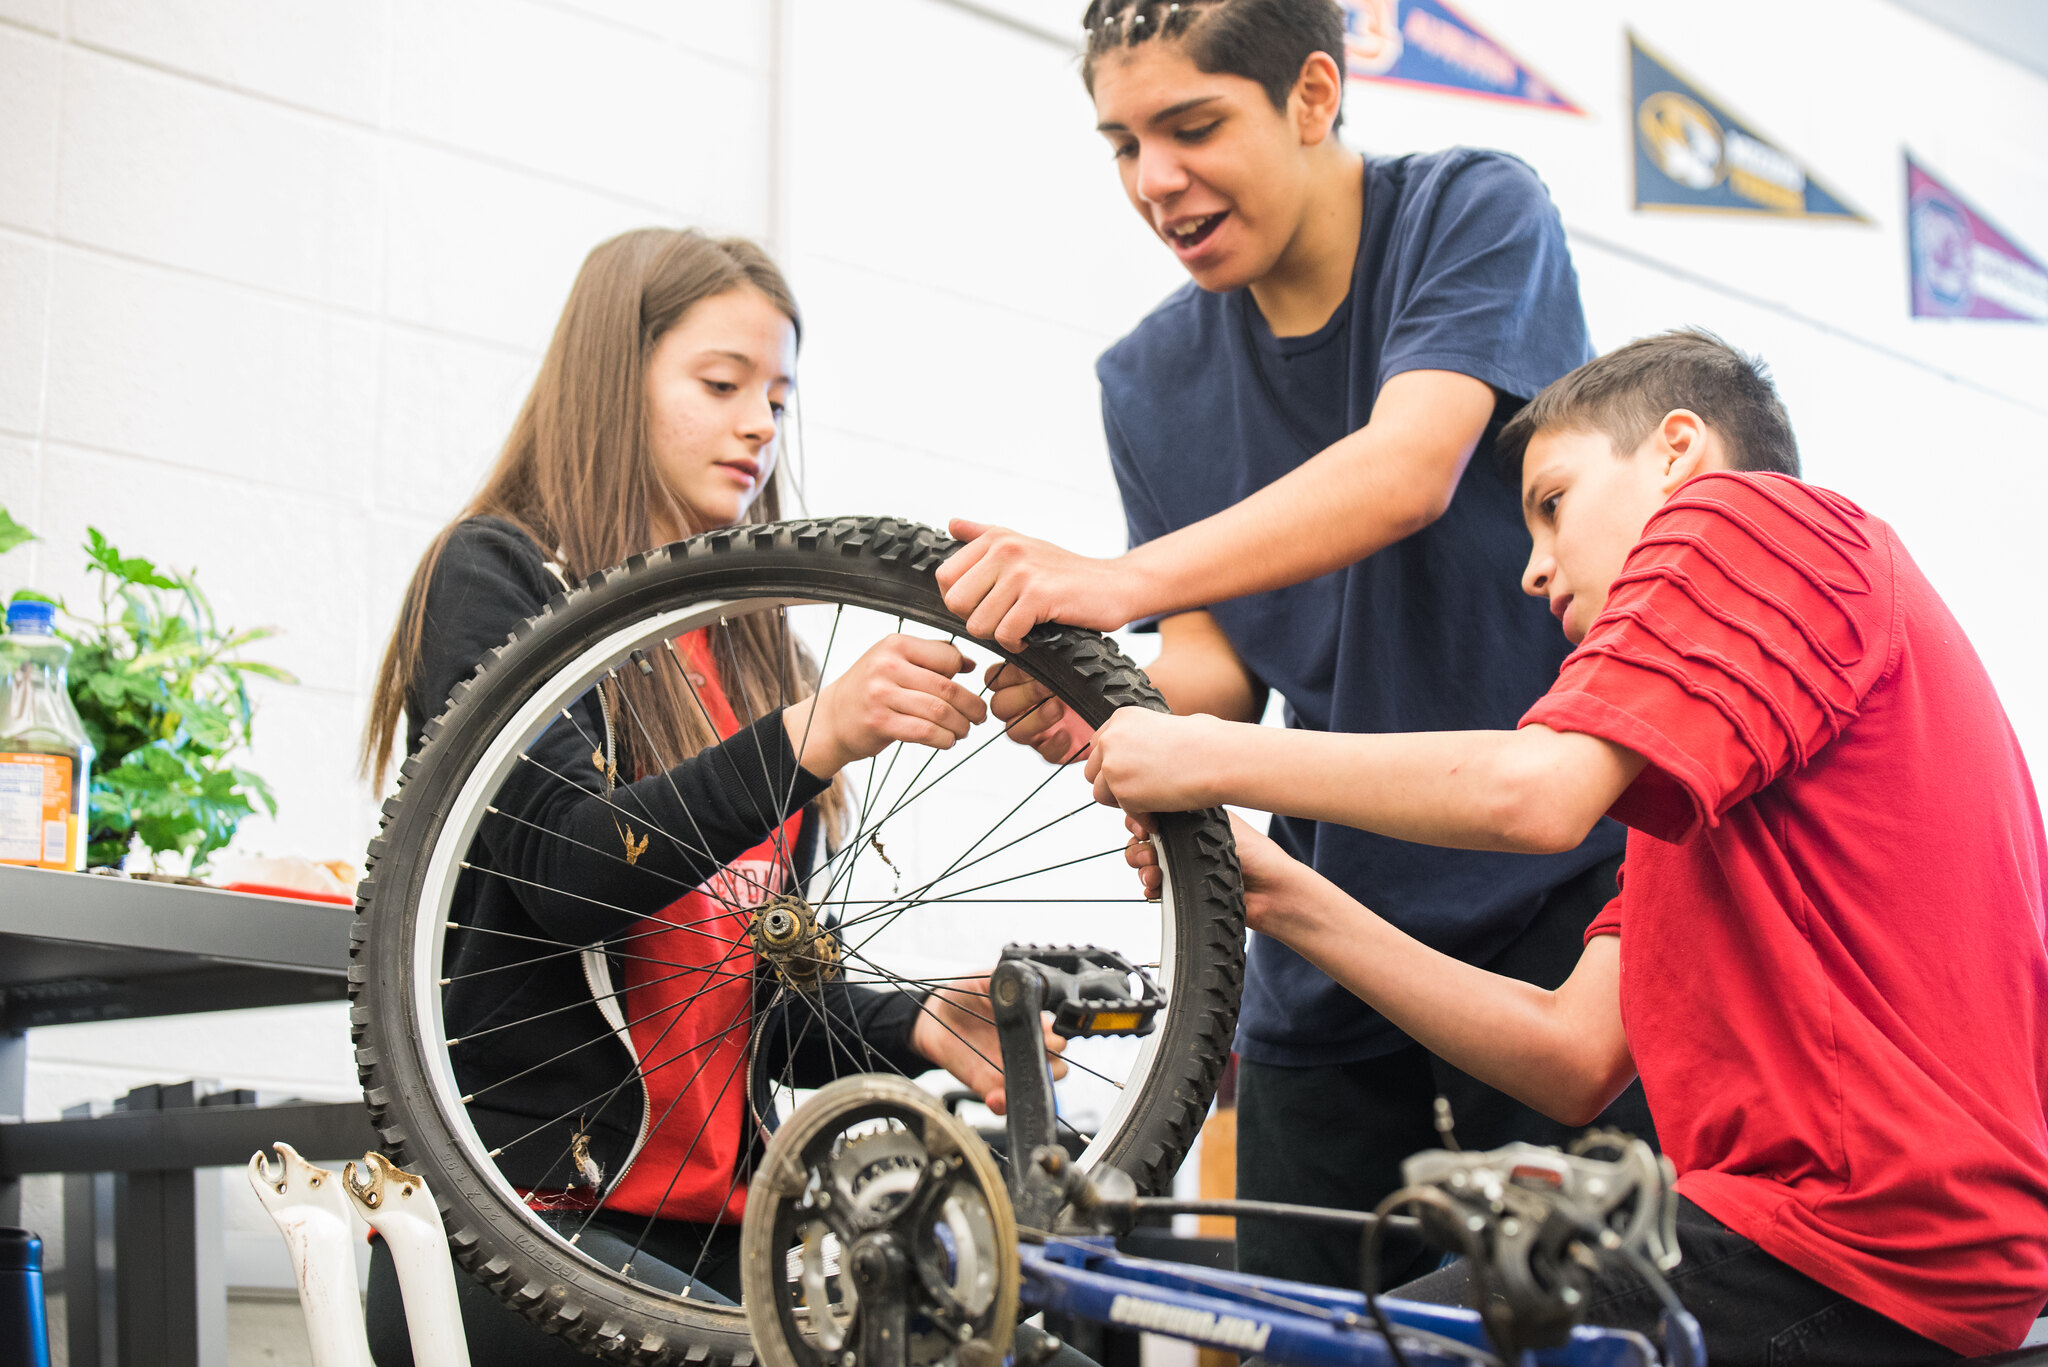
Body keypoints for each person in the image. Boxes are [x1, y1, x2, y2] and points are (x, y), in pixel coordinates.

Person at [1091, 330, 2048, 1361]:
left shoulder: (1754, 517)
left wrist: (1207, 752)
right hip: (1896, 1248)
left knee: (1346, 1346)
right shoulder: (1708, 783)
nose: (1533, 569)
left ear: (1677, 450)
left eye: (1551, 503)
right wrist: (1284, 895)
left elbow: (1535, 791)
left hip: (1851, 1234)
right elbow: (1570, 1053)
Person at [935, 0, 1647, 1289]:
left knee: (1568, 1316)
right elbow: (1215, 661)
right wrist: (1105, 696)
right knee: (1287, 1321)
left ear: (1313, 95)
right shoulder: (1145, 379)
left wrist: (1112, 578)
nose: (1155, 180)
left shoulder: (1472, 212)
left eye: (1192, 125)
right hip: (1325, 942)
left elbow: (1405, 469)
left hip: (1557, 901)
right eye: (1121, 143)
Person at [357, 228, 1063, 1364]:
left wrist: (914, 1019)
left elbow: (743, 995)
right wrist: (809, 736)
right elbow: (564, 877)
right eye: (721, 384)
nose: (758, 427)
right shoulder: (496, 578)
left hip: (721, 1240)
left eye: (778, 399)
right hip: (524, 1226)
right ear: (608, 380)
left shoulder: (753, 650)